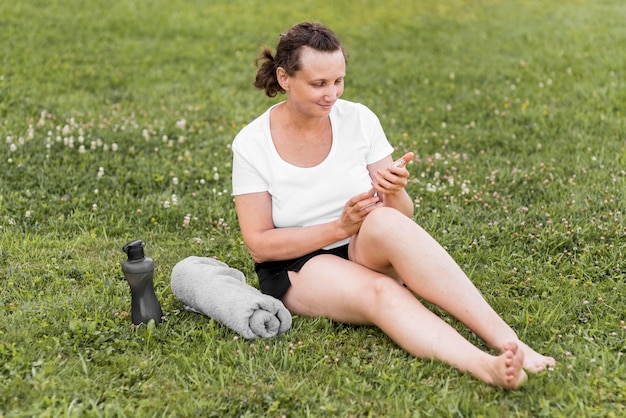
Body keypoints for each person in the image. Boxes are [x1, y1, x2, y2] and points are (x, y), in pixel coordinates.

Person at [231, 21, 555, 389]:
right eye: (318, 84)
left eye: (338, 80)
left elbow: (401, 219)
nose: (332, 94)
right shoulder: (252, 143)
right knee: (383, 292)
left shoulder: (359, 119)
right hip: (298, 266)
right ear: (285, 78)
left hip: (361, 242)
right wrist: (340, 227)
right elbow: (259, 243)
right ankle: (485, 367)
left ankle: (510, 342)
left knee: (388, 222)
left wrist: (395, 190)